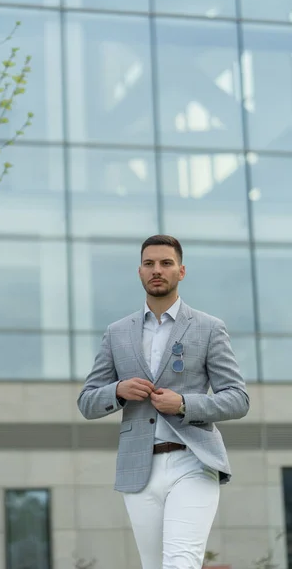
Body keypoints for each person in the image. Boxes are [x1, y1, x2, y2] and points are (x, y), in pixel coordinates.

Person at [77, 235, 250, 569]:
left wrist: (184, 403)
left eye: (166, 263)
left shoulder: (209, 328)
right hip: (139, 468)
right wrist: (118, 391)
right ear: (140, 272)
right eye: (149, 263)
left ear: (181, 271)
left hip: (194, 461)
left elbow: (238, 399)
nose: (157, 270)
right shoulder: (116, 333)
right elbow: (87, 402)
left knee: (179, 562)